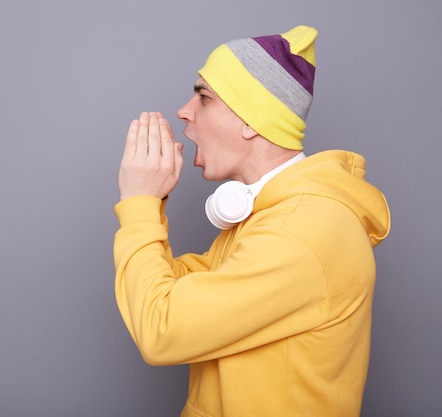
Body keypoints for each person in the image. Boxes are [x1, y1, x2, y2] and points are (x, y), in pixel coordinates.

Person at [113, 25, 391, 417]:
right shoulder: (270, 217)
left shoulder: (300, 233)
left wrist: (138, 202)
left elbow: (162, 330)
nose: (184, 111)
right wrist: (153, 201)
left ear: (251, 120)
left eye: (204, 97)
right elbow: (173, 288)